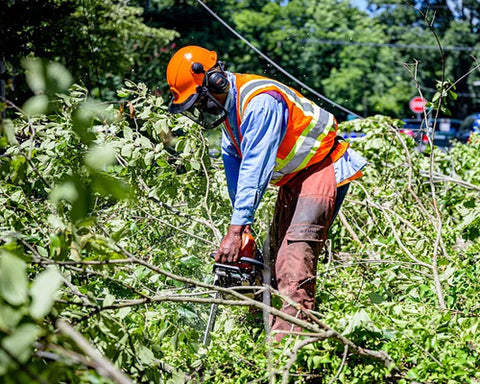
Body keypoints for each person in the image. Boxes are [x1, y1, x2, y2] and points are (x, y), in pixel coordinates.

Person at [165, 45, 366, 341]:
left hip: (321, 168)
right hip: (292, 180)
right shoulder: (231, 117)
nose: (200, 109)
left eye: (200, 101)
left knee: (293, 262)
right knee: (270, 263)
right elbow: (236, 169)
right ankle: (263, 332)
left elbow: (256, 167)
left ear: (215, 81)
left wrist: (236, 231)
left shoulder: (260, 103)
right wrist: (242, 230)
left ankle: (292, 352)